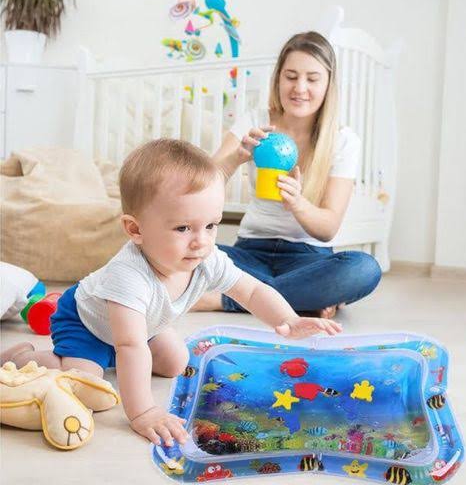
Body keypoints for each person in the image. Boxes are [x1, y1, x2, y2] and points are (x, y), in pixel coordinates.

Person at [0, 138, 341, 447]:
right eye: (183, 228)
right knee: (86, 384)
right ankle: (25, 357)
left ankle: (105, 359)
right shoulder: (128, 277)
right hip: (86, 321)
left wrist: (288, 319)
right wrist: (143, 412)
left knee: (175, 362)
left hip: (144, 323)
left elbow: (251, 290)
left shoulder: (205, 256)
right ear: (136, 230)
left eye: (211, 225)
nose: (201, 240)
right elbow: (129, 345)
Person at [193, 31, 382, 319]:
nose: (300, 88)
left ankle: (227, 299)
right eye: (291, 76)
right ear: (278, 79)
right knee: (179, 250)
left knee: (364, 269)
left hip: (308, 259)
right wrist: (237, 157)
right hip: (249, 253)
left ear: (328, 84)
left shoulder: (343, 140)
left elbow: (328, 227)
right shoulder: (255, 121)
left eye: (312, 78)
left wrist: (298, 204)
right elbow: (203, 186)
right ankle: (301, 298)